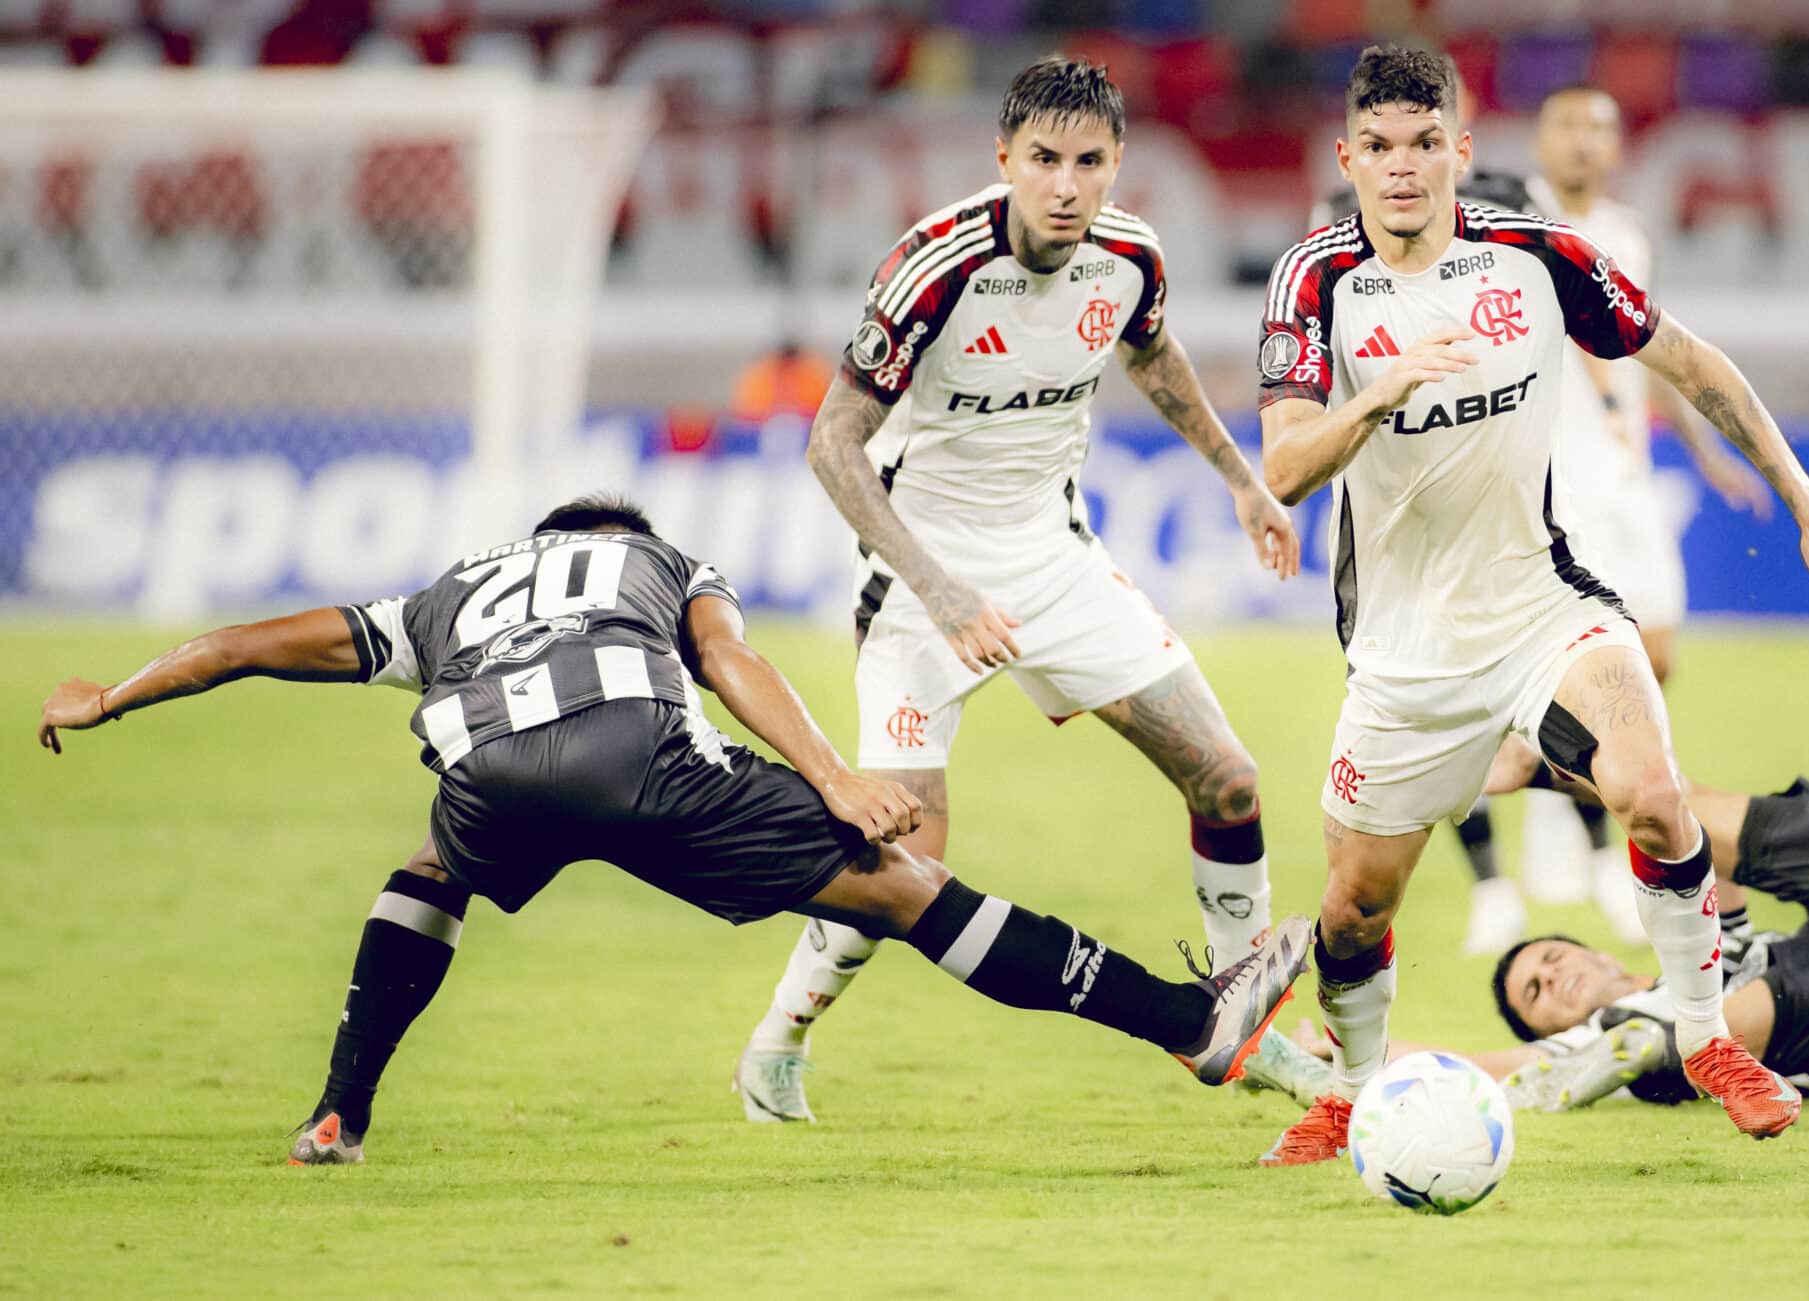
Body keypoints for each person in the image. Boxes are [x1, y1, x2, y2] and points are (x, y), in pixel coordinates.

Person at [34, 494, 1310, 1165]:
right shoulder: (664, 565)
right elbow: (731, 665)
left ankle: (335, 1115)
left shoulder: (442, 598)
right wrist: (831, 780)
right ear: (624, 539)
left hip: (487, 777)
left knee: (430, 866)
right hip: (642, 755)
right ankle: (1188, 1025)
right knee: (908, 889)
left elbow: (249, 645)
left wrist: (116, 696)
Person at [1251, 44, 1809, 1163]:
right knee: (1353, 909)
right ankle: (1351, 1091)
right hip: (1402, 648)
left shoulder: (1540, 258)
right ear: (1346, 157)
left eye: (1424, 143)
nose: (1402, 169)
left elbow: (1694, 366)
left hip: (1543, 603)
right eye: (1379, 148)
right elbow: (1286, 467)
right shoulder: (1312, 281)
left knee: (1650, 793)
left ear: (1461, 149)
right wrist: (1381, 391)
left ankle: (1699, 1037)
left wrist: (1808, 508)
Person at [732, 56, 1325, 1121]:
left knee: (1228, 782)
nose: (1064, 183)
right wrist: (941, 589)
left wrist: (1240, 480)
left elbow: (1154, 357)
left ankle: (1247, 1022)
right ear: (1002, 159)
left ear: (1115, 166)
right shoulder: (932, 267)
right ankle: (780, 1037)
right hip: (917, 584)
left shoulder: (1129, 257)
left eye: (1087, 161)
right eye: (1042, 160)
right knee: (902, 867)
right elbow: (832, 446)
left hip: (1055, 564)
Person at [1456, 84, 1778, 956]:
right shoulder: (1509, 216)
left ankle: (1576, 802)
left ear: (1619, 144)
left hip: (1628, 478)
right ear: (1542, 137)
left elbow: (1649, 351)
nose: (1583, 142)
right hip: (1563, 479)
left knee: (1656, 658)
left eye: (1600, 127)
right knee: (1590, 659)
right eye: (1566, 125)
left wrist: (1707, 455)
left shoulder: (1629, 232)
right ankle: (1581, 839)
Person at [1457, 776, 1809, 1112]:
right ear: (1550, 1034)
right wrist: (1371, 1070)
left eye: (1551, 959)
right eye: (1536, 992)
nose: (1550, 976)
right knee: (1656, 1036)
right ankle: (1690, 1049)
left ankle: (1545, 767)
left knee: (1683, 815)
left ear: (1602, 953)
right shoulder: (1597, 1032)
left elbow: (1700, 840)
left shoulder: (1698, 948)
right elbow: (1470, 1066)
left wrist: (1616, 788)